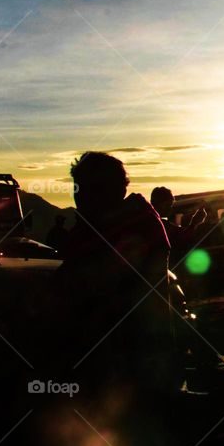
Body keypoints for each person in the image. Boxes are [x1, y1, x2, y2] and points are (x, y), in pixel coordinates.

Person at [54, 152, 171, 392]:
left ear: (115, 191)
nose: (80, 196)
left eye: (91, 189)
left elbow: (87, 288)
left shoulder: (132, 229)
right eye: (78, 188)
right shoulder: (106, 226)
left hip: (122, 369)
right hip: (116, 362)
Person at [150, 186, 207, 264]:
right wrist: (194, 224)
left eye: (170, 206)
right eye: (167, 205)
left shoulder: (154, 222)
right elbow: (181, 238)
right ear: (155, 203)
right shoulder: (156, 224)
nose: (169, 209)